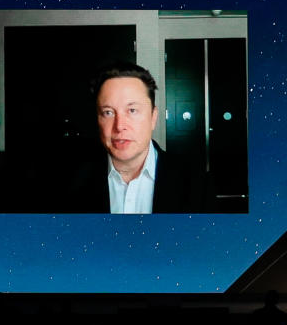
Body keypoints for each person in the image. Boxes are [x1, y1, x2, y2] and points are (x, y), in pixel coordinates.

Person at [62, 61, 216, 213]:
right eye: (108, 112)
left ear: (153, 118)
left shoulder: (196, 185)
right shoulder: (69, 185)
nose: (119, 125)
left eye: (132, 110)